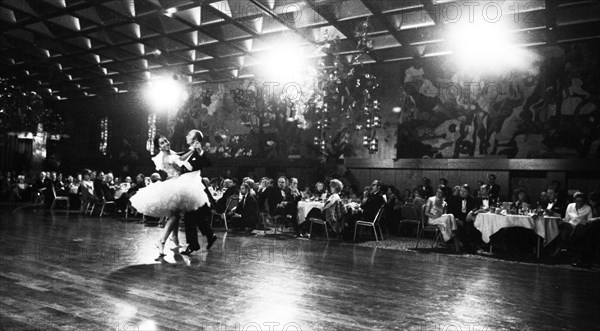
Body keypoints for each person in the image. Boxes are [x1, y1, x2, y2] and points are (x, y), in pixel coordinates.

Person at [130, 131, 213, 256]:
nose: (166, 143)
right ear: (159, 147)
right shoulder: (167, 156)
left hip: (182, 185)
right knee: (176, 215)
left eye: (166, 141)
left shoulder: (172, 152)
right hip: (176, 185)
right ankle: (163, 241)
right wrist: (193, 150)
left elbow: (182, 157)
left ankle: (175, 238)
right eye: (162, 143)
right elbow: (180, 159)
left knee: (178, 215)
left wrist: (196, 150)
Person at [179, 130, 218, 255]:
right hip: (186, 185)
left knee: (190, 216)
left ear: (196, 140)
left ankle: (193, 245)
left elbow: (208, 163)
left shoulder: (198, 152)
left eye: (189, 135)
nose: (186, 136)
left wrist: (200, 151)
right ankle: (210, 235)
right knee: (197, 216)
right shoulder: (188, 151)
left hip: (193, 188)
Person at [424, 185, 461, 252]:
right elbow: (426, 213)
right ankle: (456, 240)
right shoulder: (431, 199)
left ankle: (453, 236)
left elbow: (444, 214)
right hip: (432, 219)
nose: (438, 194)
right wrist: (435, 216)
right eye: (437, 192)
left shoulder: (444, 203)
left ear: (443, 194)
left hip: (441, 219)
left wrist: (441, 215)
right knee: (449, 217)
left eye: (440, 193)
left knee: (451, 216)